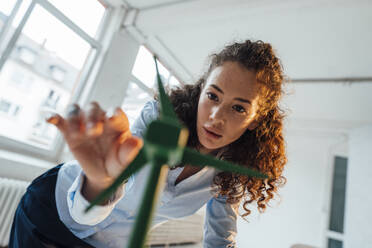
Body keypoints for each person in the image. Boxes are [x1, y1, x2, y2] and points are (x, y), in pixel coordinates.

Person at [9, 40, 287, 248]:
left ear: (255, 120)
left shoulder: (230, 176)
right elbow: (87, 209)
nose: (216, 117)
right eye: (213, 96)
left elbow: (220, 236)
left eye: (238, 109)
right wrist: (99, 184)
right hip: (52, 205)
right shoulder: (159, 118)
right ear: (202, 90)